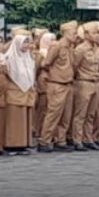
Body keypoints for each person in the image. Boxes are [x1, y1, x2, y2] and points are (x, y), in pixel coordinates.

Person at [38, 20, 79, 153]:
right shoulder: (56, 46)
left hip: (68, 84)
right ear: (65, 33)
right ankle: (45, 140)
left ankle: (60, 140)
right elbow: (46, 63)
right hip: (57, 84)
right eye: (74, 33)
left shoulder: (71, 48)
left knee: (66, 116)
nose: (76, 35)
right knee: (53, 114)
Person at [72, 22, 99, 151]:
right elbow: (75, 65)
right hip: (84, 81)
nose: (97, 36)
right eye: (94, 33)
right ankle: (77, 139)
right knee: (81, 114)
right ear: (86, 35)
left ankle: (88, 138)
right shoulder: (80, 49)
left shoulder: (97, 48)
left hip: (96, 81)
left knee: (91, 114)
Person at [4, 33, 36, 156]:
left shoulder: (29, 57)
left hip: (27, 92)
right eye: (24, 42)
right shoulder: (10, 57)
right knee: (14, 119)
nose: (26, 45)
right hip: (14, 92)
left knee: (25, 119)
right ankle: (12, 145)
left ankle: (24, 143)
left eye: (27, 43)